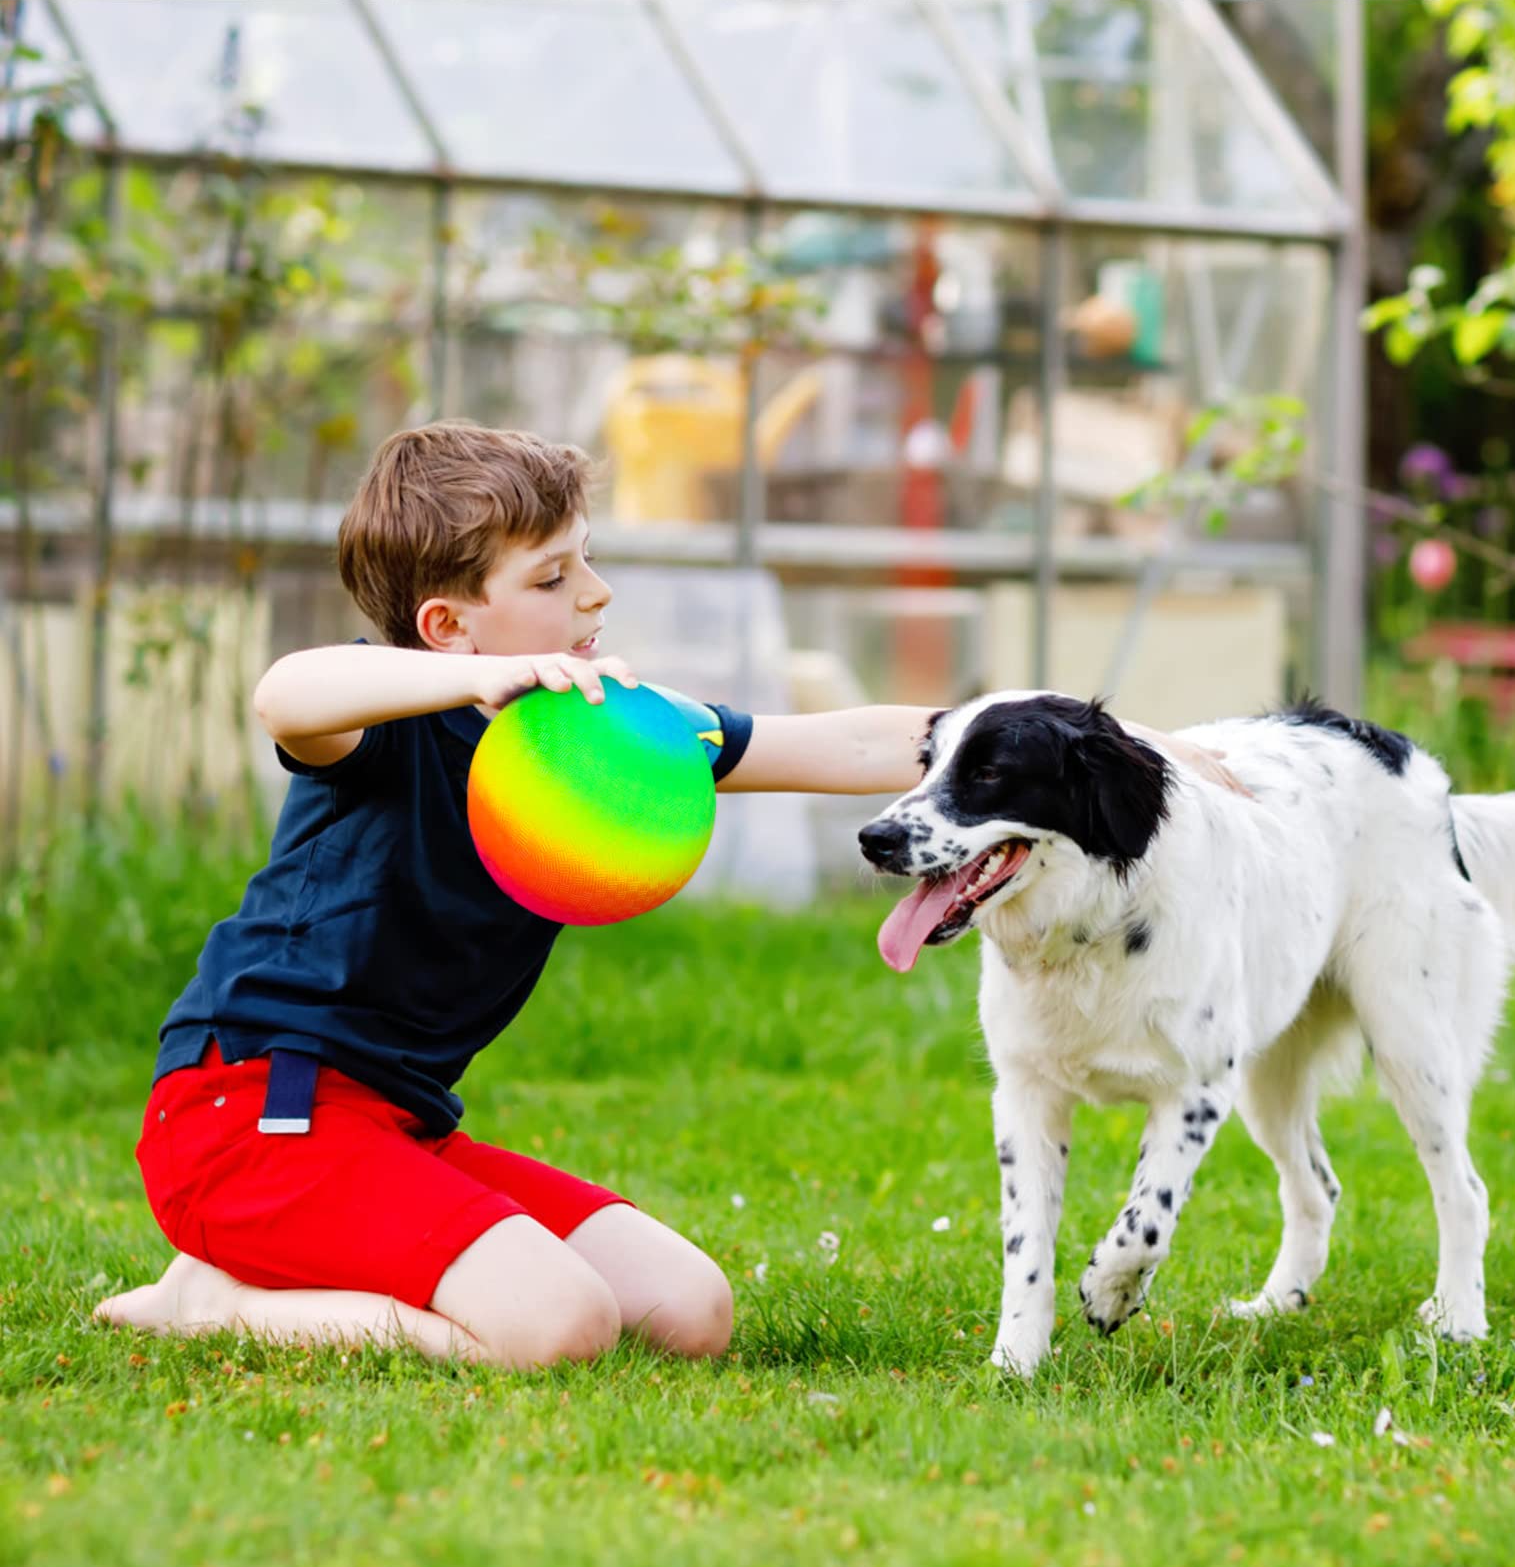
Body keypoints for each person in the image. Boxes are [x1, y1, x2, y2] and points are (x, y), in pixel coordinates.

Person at [94, 422, 1238, 1370]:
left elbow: (847, 740)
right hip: (247, 1115)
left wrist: (1133, 747)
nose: (594, 594)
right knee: (558, 1328)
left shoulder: (608, 736)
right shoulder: (384, 724)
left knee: (690, 1313)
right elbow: (287, 691)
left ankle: (290, 1265)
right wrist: (477, 682)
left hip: (395, 1123)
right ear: (450, 625)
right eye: (551, 578)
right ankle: (212, 1300)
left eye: (585, 560)